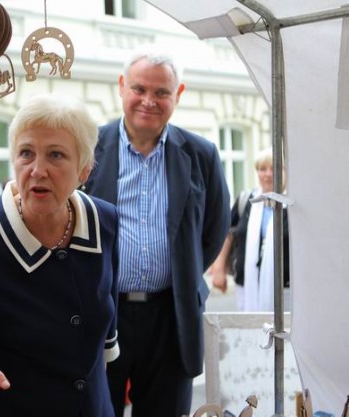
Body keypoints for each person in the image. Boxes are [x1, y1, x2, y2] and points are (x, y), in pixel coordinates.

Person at [0, 92, 120, 417]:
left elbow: (106, 328)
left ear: (84, 170)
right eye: (26, 153)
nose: (37, 170)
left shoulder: (104, 221)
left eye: (56, 155)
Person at [84, 45, 231, 417]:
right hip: (103, 311)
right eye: (139, 89)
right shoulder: (88, 148)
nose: (149, 101)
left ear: (177, 95)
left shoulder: (201, 154)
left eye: (161, 92)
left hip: (171, 315)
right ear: (122, 86)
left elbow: (214, 228)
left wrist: (183, 270)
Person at [211, 147, 290, 311]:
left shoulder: (292, 205)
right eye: (262, 169)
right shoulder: (247, 200)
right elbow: (228, 234)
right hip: (246, 286)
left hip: (285, 289)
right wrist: (218, 269)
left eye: (274, 168)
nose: (268, 174)